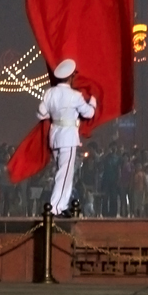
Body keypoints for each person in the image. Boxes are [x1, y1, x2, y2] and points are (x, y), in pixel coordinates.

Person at [37, 58, 96, 217]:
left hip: (54, 136)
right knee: (64, 174)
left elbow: (41, 113)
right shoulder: (75, 95)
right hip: (68, 137)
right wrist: (93, 102)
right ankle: (56, 207)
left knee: (62, 172)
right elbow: (89, 113)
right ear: (71, 77)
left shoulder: (49, 93)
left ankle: (60, 204)